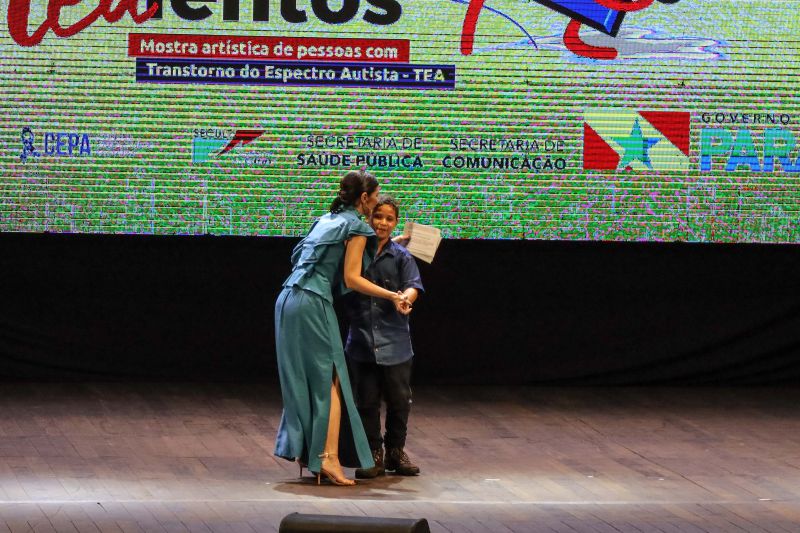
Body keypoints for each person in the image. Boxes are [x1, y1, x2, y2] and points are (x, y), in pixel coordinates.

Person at [273, 171, 411, 486]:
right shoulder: (356, 226)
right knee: (330, 379)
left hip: (287, 298)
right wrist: (392, 295)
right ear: (363, 198)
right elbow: (352, 278)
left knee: (303, 378)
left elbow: (305, 257)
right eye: (374, 197)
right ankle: (328, 458)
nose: (376, 203)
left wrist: (389, 244)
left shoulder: (325, 220)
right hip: (312, 302)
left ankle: (308, 452)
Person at [344, 195, 424, 478]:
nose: (382, 223)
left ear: (395, 223)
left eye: (389, 219)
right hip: (362, 340)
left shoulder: (401, 255)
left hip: (395, 341)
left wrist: (405, 299)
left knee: (399, 400)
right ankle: (373, 453)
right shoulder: (356, 251)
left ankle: (395, 451)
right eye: (378, 216)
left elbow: (413, 285)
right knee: (366, 400)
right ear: (369, 218)